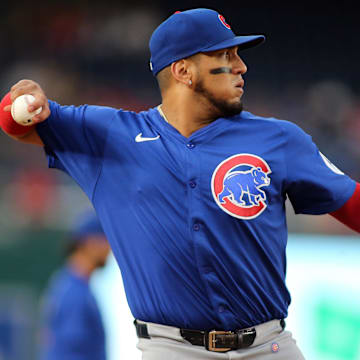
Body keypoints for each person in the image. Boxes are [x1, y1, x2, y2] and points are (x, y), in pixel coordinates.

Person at [0, 7, 359, 360]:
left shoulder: (278, 139)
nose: (241, 66)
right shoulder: (111, 135)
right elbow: (17, 122)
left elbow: (352, 204)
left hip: (269, 346)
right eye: (225, 55)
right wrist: (21, 100)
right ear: (183, 70)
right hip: (170, 349)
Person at [38, 210, 110, 360]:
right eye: (105, 240)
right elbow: (73, 351)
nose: (110, 248)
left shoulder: (66, 283)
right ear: (90, 243)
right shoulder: (75, 292)